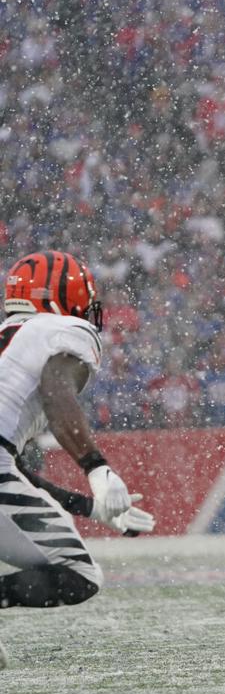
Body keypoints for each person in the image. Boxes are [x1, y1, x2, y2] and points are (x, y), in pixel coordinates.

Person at [0, 251, 155, 669]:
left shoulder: (11, 342)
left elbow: (15, 474)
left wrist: (88, 507)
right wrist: (95, 466)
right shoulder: (65, 329)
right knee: (79, 576)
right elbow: (56, 393)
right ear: (63, 297)